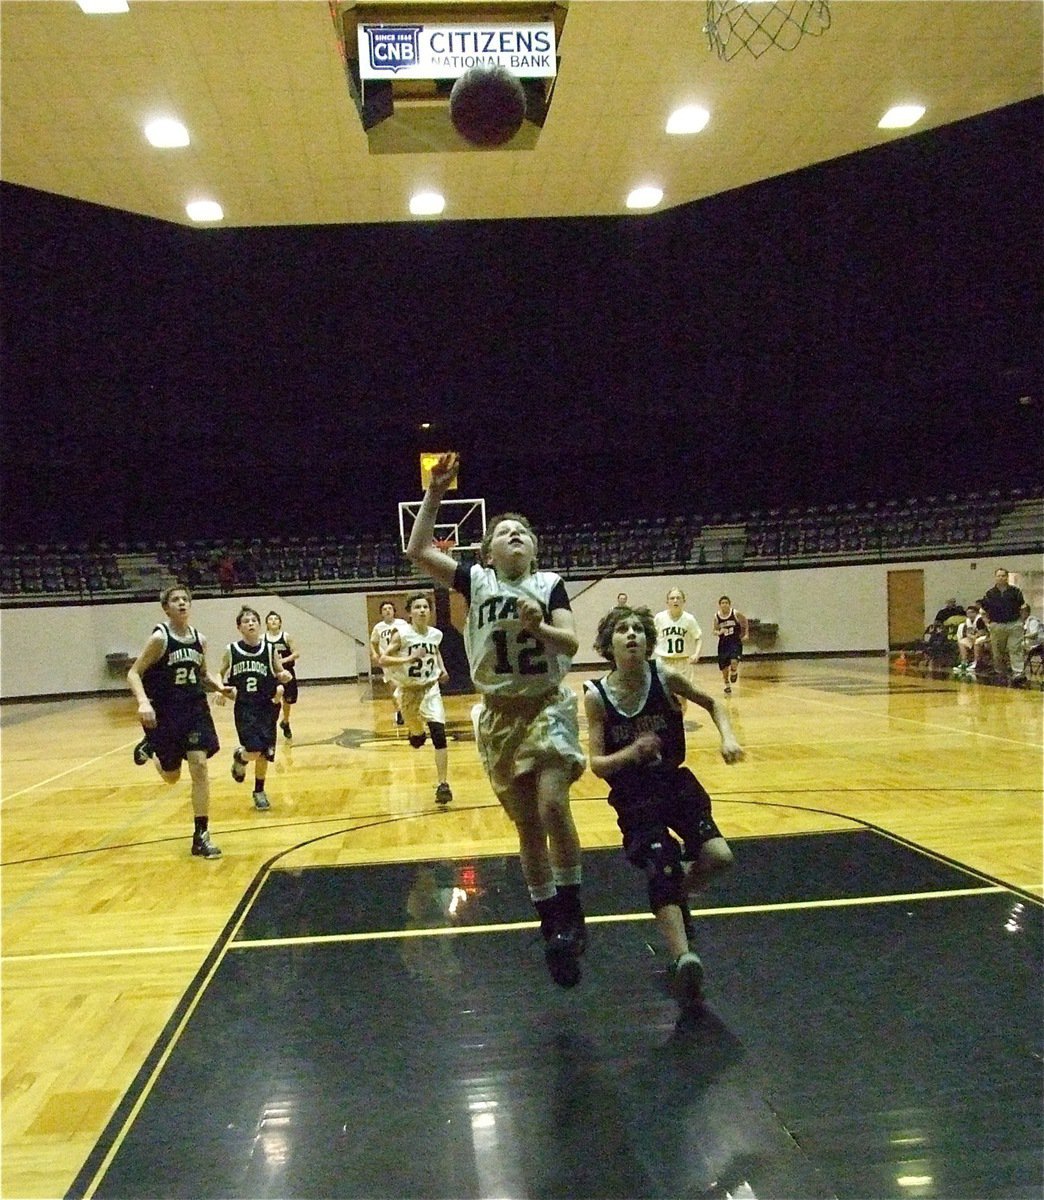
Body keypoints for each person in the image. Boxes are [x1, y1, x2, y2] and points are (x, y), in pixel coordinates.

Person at [406, 452, 588, 989]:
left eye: (522, 534)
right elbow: (416, 550)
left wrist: (541, 631)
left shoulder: (550, 585)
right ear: (486, 552)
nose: (514, 537)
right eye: (504, 533)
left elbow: (572, 643)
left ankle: (573, 905)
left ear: (534, 550)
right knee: (527, 825)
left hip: (546, 705)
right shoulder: (476, 581)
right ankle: (550, 918)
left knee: (553, 803)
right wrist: (436, 492)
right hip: (500, 716)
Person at [583, 604, 743, 1012]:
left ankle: (672, 896)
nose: (633, 634)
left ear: (649, 641)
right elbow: (597, 764)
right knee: (662, 863)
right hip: (635, 796)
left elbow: (713, 703)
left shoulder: (664, 676)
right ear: (608, 644)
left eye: (639, 628)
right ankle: (683, 958)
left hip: (675, 784)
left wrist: (727, 737)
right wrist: (633, 752)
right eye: (623, 629)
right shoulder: (597, 696)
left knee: (720, 857)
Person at [126, 584, 235, 859]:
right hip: (165, 712)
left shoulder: (200, 639)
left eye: (185, 599)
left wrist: (221, 688)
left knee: (199, 765)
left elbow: (203, 673)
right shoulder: (160, 639)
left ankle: (201, 835)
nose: (182, 603)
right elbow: (133, 673)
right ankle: (152, 751)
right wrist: (143, 702)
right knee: (172, 777)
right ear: (166, 608)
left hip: (194, 710)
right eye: (175, 600)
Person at [379, 591, 453, 806]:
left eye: (425, 607)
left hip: (430, 689)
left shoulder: (436, 635)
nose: (422, 610)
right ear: (409, 613)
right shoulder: (402, 634)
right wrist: (410, 657)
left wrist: (442, 669)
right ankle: (415, 731)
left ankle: (443, 784)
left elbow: (435, 652)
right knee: (419, 737)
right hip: (409, 690)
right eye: (417, 607)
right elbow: (383, 659)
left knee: (439, 733)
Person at [218, 606, 291, 811]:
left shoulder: (269, 649)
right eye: (246, 621)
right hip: (245, 707)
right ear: (239, 627)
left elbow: (279, 672)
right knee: (254, 750)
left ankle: (259, 790)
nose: (250, 623)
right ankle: (240, 757)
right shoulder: (232, 650)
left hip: (267, 706)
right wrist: (219, 689)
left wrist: (284, 676)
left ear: (259, 625)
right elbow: (219, 673)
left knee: (265, 753)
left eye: (254, 620)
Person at [653, 588, 703, 711]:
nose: (675, 600)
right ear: (667, 602)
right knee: (665, 697)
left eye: (678, 598)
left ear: (683, 601)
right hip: (664, 662)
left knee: (682, 697)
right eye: (672, 598)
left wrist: (696, 653)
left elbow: (698, 638)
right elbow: (650, 637)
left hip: (683, 662)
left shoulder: (689, 619)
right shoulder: (659, 618)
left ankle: (680, 724)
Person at [981, 568, 1027, 684]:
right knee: (997, 650)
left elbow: (1023, 608)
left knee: (1015, 648)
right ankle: (1000, 672)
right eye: (998, 576)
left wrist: (1021, 622)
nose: (1001, 578)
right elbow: (983, 611)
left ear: (1007, 577)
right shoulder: (990, 594)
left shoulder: (1015, 591)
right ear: (995, 577)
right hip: (997, 625)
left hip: (1014, 624)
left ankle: (1018, 672)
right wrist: (988, 624)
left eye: (1003, 576)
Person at [370, 600, 410, 727]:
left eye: (390, 608)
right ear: (381, 613)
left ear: (394, 611)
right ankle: (399, 711)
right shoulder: (378, 627)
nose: (387, 610)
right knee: (393, 686)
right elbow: (373, 642)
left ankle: (408, 709)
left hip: (401, 658)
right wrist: (376, 654)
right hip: (387, 660)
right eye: (385, 609)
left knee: (405, 685)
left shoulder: (402, 624)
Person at [265, 611, 300, 737]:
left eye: (276, 619)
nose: (273, 621)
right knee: (273, 698)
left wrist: (282, 661)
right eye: (270, 619)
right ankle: (269, 723)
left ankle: (285, 721)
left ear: (280, 623)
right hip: (272, 674)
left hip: (287, 672)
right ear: (266, 624)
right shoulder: (262, 639)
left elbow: (296, 653)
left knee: (288, 700)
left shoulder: (285, 636)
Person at [712, 595, 749, 695]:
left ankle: (734, 671)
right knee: (724, 668)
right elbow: (714, 630)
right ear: (719, 605)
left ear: (729, 604)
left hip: (734, 641)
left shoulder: (735, 613)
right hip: (723, 643)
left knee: (734, 660)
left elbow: (745, 621)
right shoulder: (717, 616)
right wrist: (719, 632)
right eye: (722, 603)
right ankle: (727, 685)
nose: (724, 605)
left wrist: (746, 634)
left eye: (726, 603)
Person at [953, 604, 984, 675]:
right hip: (973, 637)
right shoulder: (968, 621)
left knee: (977, 641)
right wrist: (970, 636)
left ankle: (976, 662)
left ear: (976, 613)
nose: (969, 615)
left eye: (971, 613)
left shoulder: (980, 619)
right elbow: (968, 632)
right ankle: (964, 662)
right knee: (962, 642)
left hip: (983, 637)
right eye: (968, 613)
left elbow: (982, 632)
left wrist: (974, 637)